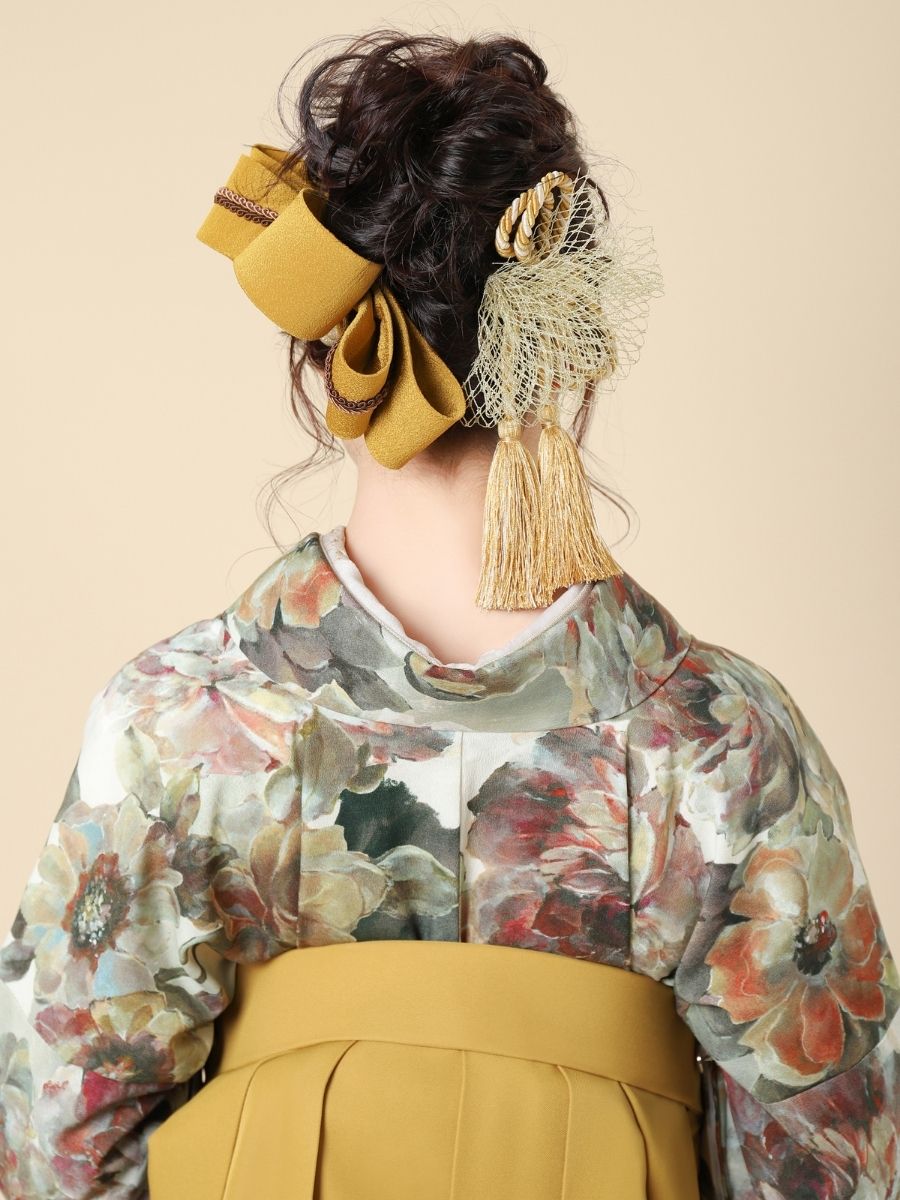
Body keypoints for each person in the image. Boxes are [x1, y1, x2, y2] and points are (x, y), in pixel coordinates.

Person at [1, 26, 897, 1200]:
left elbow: (56, 1152)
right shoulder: (722, 747)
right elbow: (834, 1166)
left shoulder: (176, 728)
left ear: (328, 357)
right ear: (571, 346)